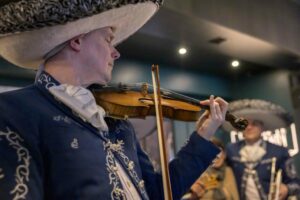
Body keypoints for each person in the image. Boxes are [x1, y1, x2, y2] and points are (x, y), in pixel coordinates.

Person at [0, 1, 229, 199]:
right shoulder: (13, 112)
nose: (115, 52)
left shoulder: (116, 123)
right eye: (108, 39)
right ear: (77, 41)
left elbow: (158, 193)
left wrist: (204, 135)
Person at [225, 99, 300, 200]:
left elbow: (295, 183)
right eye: (245, 124)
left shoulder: (279, 151)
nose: (249, 127)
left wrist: (286, 188)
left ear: (262, 127)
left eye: (255, 124)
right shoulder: (231, 149)